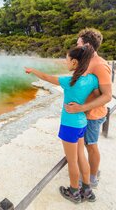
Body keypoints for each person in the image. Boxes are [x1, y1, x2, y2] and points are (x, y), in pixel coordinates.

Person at [25, 45, 97, 204]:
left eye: (67, 60)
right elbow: (97, 96)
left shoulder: (69, 81)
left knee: (72, 161)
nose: (65, 62)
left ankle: (73, 192)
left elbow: (45, 77)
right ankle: (87, 189)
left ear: (75, 62)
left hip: (69, 125)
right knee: (81, 157)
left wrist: (33, 70)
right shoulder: (92, 79)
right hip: (82, 123)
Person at [64, 28, 112, 187]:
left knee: (91, 146)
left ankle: (92, 178)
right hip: (83, 114)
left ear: (87, 46)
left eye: (78, 43)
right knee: (84, 145)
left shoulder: (99, 65)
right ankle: (87, 173)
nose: (76, 45)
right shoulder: (86, 61)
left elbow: (107, 95)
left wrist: (82, 107)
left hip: (93, 114)